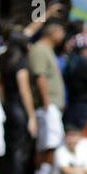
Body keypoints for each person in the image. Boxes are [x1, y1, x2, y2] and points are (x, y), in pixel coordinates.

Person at [0, 29, 39, 174]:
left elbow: (0, 85)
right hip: (19, 108)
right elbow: (25, 91)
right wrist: (31, 117)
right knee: (19, 149)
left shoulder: (3, 59)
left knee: (10, 147)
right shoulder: (20, 62)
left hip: (8, 106)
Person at [29, 19, 67, 161]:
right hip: (47, 105)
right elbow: (40, 77)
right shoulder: (40, 49)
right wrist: (46, 102)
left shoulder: (48, 50)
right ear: (53, 32)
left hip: (52, 105)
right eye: (61, 31)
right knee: (48, 144)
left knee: (51, 142)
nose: (63, 36)